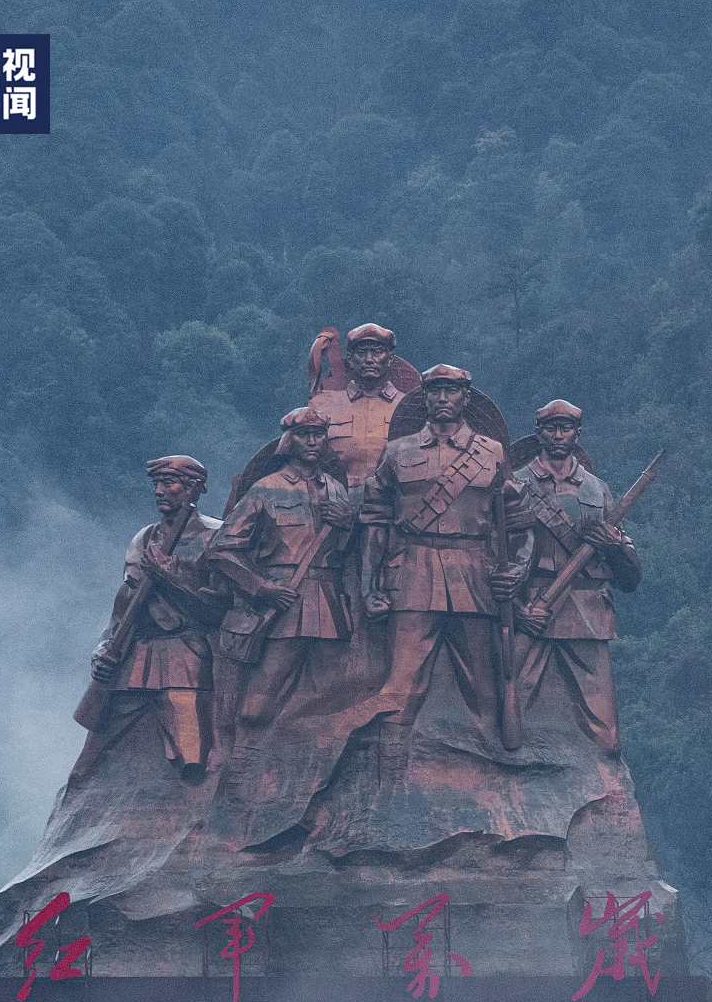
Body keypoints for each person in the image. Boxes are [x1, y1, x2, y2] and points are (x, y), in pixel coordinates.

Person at [360, 365, 533, 781]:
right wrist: (369, 586)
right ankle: (388, 779)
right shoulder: (397, 452)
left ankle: (490, 781)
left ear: (465, 398)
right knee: (401, 685)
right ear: (424, 397)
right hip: (411, 574)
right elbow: (375, 522)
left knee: (483, 684)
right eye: (435, 390)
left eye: (451, 391)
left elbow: (520, 523)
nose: (442, 398)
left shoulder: (491, 452)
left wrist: (517, 571)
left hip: (474, 576)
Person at [75, 456, 225, 784]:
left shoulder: (215, 536)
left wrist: (170, 578)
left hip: (187, 655)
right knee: (87, 766)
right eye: (156, 484)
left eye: (168, 483)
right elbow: (124, 601)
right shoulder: (145, 537)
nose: (159, 491)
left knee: (193, 764)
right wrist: (104, 646)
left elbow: (217, 610)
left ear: (192, 488)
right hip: (136, 655)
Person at [208, 406, 355, 726]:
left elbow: (350, 552)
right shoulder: (266, 488)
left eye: (318, 435)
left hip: (330, 602)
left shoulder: (336, 488)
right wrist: (261, 588)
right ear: (289, 440)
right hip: (282, 602)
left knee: (331, 695)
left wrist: (350, 524)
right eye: (304, 435)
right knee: (262, 698)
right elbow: (220, 551)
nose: (312, 442)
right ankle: (245, 752)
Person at [511, 399, 641, 756]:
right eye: (550, 428)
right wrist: (519, 609)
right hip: (535, 611)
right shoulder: (515, 485)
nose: (558, 435)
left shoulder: (597, 489)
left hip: (588, 616)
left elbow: (630, 575)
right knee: (511, 716)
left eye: (565, 428)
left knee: (605, 733)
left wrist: (614, 547)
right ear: (539, 433)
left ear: (577, 434)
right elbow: (495, 556)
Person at [308, 323, 408, 501]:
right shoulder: (322, 404)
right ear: (350, 359)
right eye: (361, 353)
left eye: (377, 352)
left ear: (390, 358)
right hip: (334, 501)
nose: (369, 359)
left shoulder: (408, 407)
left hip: (391, 503)